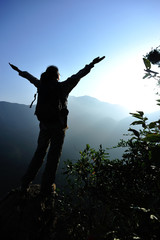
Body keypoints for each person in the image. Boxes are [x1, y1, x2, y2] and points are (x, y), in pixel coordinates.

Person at [9, 56, 105, 196]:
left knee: (39, 154)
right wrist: (91, 64)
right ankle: (46, 188)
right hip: (59, 126)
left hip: (44, 125)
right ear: (57, 76)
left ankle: (25, 184)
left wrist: (18, 70)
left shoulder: (41, 85)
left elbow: (29, 77)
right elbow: (79, 75)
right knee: (53, 157)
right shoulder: (63, 86)